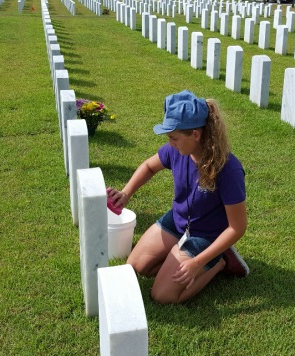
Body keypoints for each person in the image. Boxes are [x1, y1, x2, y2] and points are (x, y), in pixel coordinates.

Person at [107, 90, 249, 305]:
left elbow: (237, 227)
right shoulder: (176, 150)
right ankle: (180, 256)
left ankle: (219, 261)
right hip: (178, 219)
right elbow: (148, 166)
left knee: (162, 296)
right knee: (136, 268)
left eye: (174, 138)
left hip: (207, 234)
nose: (170, 143)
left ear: (196, 134)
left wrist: (198, 262)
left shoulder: (228, 170)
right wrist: (126, 192)